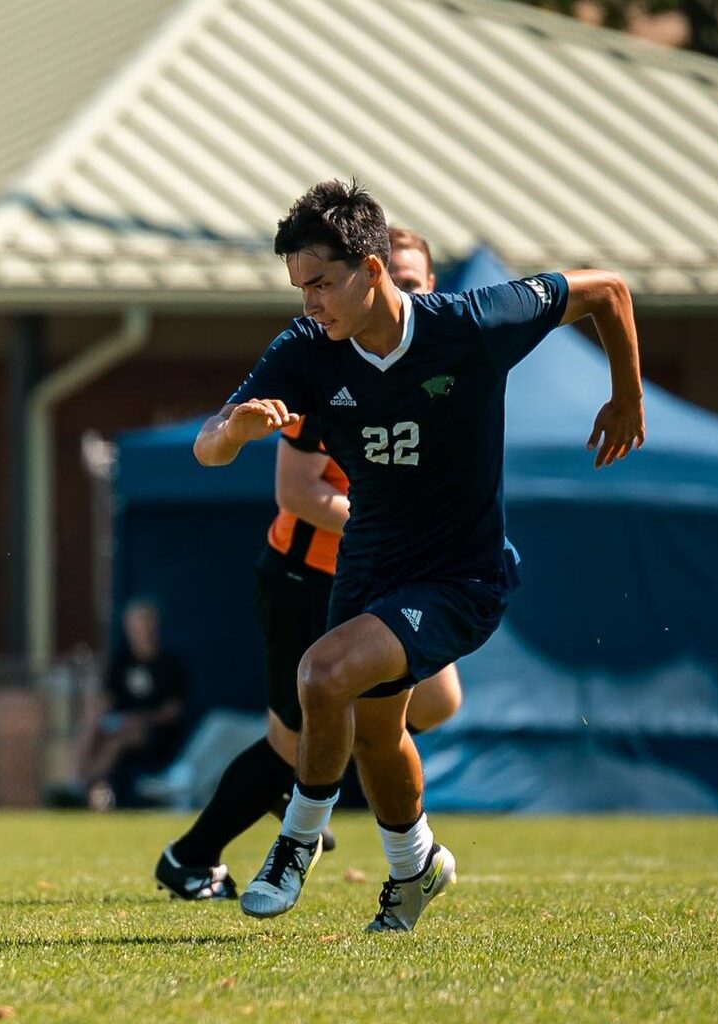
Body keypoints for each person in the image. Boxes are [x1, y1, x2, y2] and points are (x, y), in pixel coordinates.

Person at [193, 180, 643, 931]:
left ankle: (295, 841)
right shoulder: (306, 349)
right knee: (376, 734)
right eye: (301, 288)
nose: (311, 304)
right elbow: (210, 446)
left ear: (373, 271)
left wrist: (626, 395)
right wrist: (234, 432)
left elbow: (608, 290)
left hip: (461, 575)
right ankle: (414, 869)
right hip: (370, 564)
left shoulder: (470, 324)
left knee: (322, 673)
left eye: (323, 284)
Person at [156, 228, 461, 901]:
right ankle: (192, 855)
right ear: (373, 279)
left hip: (389, 571)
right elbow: (297, 491)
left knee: (435, 701)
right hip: (309, 575)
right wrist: (393, 530)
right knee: (300, 739)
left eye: (417, 282)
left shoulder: (438, 360)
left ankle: (313, 797)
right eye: (397, 280)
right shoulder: (327, 364)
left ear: (429, 287)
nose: (406, 293)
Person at [69, 600, 186, 810]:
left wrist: (141, 719)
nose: (141, 632)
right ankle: (76, 781)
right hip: (119, 723)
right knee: (91, 724)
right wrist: (96, 712)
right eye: (135, 626)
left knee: (117, 741)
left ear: (155, 626)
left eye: (145, 624)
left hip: (153, 732)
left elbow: (173, 712)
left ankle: (82, 787)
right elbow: (108, 699)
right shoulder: (121, 663)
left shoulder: (169, 664)